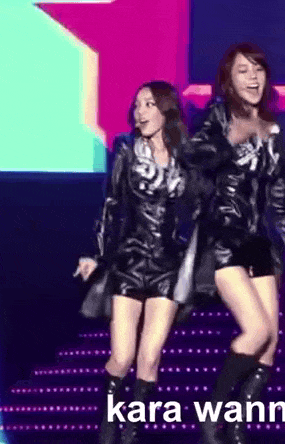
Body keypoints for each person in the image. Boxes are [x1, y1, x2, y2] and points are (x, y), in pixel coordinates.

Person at [182, 43, 285, 444]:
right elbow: (191, 154)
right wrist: (229, 140)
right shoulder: (218, 116)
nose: (253, 77)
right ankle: (212, 418)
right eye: (243, 70)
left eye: (258, 69)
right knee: (256, 331)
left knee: (270, 343)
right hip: (223, 241)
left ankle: (237, 428)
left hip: (259, 243)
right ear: (229, 79)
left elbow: (278, 196)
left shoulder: (272, 128)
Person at [76, 81, 197, 444]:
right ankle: (108, 426)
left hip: (168, 265)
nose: (140, 112)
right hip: (129, 261)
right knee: (122, 357)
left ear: (165, 110)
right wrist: (96, 254)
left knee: (149, 359)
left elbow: (197, 212)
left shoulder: (186, 156)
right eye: (137, 105)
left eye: (148, 104)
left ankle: (131, 433)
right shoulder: (126, 150)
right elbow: (111, 205)